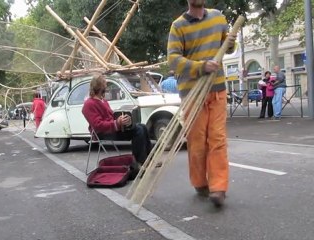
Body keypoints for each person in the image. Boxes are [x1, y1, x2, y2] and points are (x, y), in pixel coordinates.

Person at [167, 0, 236, 207]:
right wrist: (201, 67)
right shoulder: (178, 26)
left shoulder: (218, 17)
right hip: (192, 93)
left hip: (217, 88)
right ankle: (199, 182)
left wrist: (231, 43)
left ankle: (218, 188)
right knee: (197, 143)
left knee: (217, 139)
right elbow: (173, 60)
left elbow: (228, 47)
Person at [82, 74, 152, 165]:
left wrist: (123, 120)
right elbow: (98, 126)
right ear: (98, 86)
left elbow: (111, 117)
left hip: (112, 129)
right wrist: (117, 123)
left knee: (142, 126)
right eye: (104, 83)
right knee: (138, 130)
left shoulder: (103, 100)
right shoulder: (89, 104)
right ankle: (139, 163)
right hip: (103, 133)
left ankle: (148, 159)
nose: (106, 85)